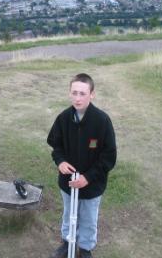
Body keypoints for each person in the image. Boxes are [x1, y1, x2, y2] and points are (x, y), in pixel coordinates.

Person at [47, 73, 117, 258]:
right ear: (70, 93)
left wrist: (88, 178)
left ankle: (85, 248)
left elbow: (109, 156)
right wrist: (60, 161)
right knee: (69, 213)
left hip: (92, 185)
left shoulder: (102, 121)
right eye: (74, 93)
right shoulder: (63, 118)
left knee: (88, 218)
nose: (77, 98)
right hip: (68, 182)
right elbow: (56, 145)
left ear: (92, 94)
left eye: (82, 93)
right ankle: (67, 241)